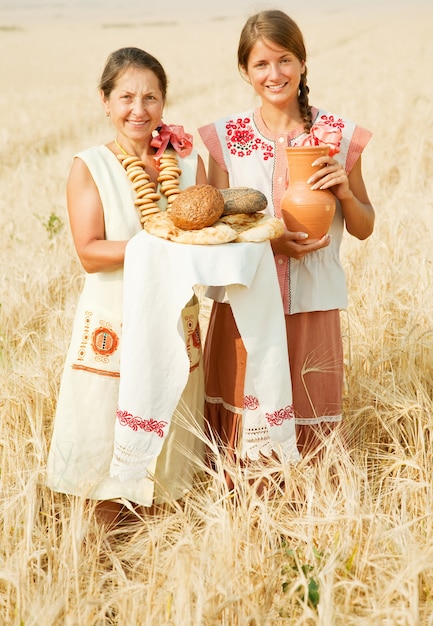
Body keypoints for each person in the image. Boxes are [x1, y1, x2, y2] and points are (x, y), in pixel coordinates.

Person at [198, 10, 375, 476]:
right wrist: (272, 245)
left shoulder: (337, 135)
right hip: (243, 300)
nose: (274, 74)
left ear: (302, 63)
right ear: (244, 71)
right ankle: (243, 525)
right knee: (242, 432)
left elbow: (364, 225)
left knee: (307, 417)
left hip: (311, 303)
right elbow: (215, 230)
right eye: (261, 64)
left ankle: (306, 515)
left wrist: (343, 191)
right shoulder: (224, 140)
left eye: (284, 60)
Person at [46, 47, 207, 526]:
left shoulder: (184, 163)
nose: (139, 109)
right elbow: (89, 251)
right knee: (107, 447)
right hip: (115, 320)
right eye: (126, 97)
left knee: (170, 447)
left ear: (164, 101)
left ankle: (160, 557)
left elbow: (203, 232)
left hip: (175, 320)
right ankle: (95, 558)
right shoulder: (90, 166)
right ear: (105, 100)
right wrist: (155, 246)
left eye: (151, 97)